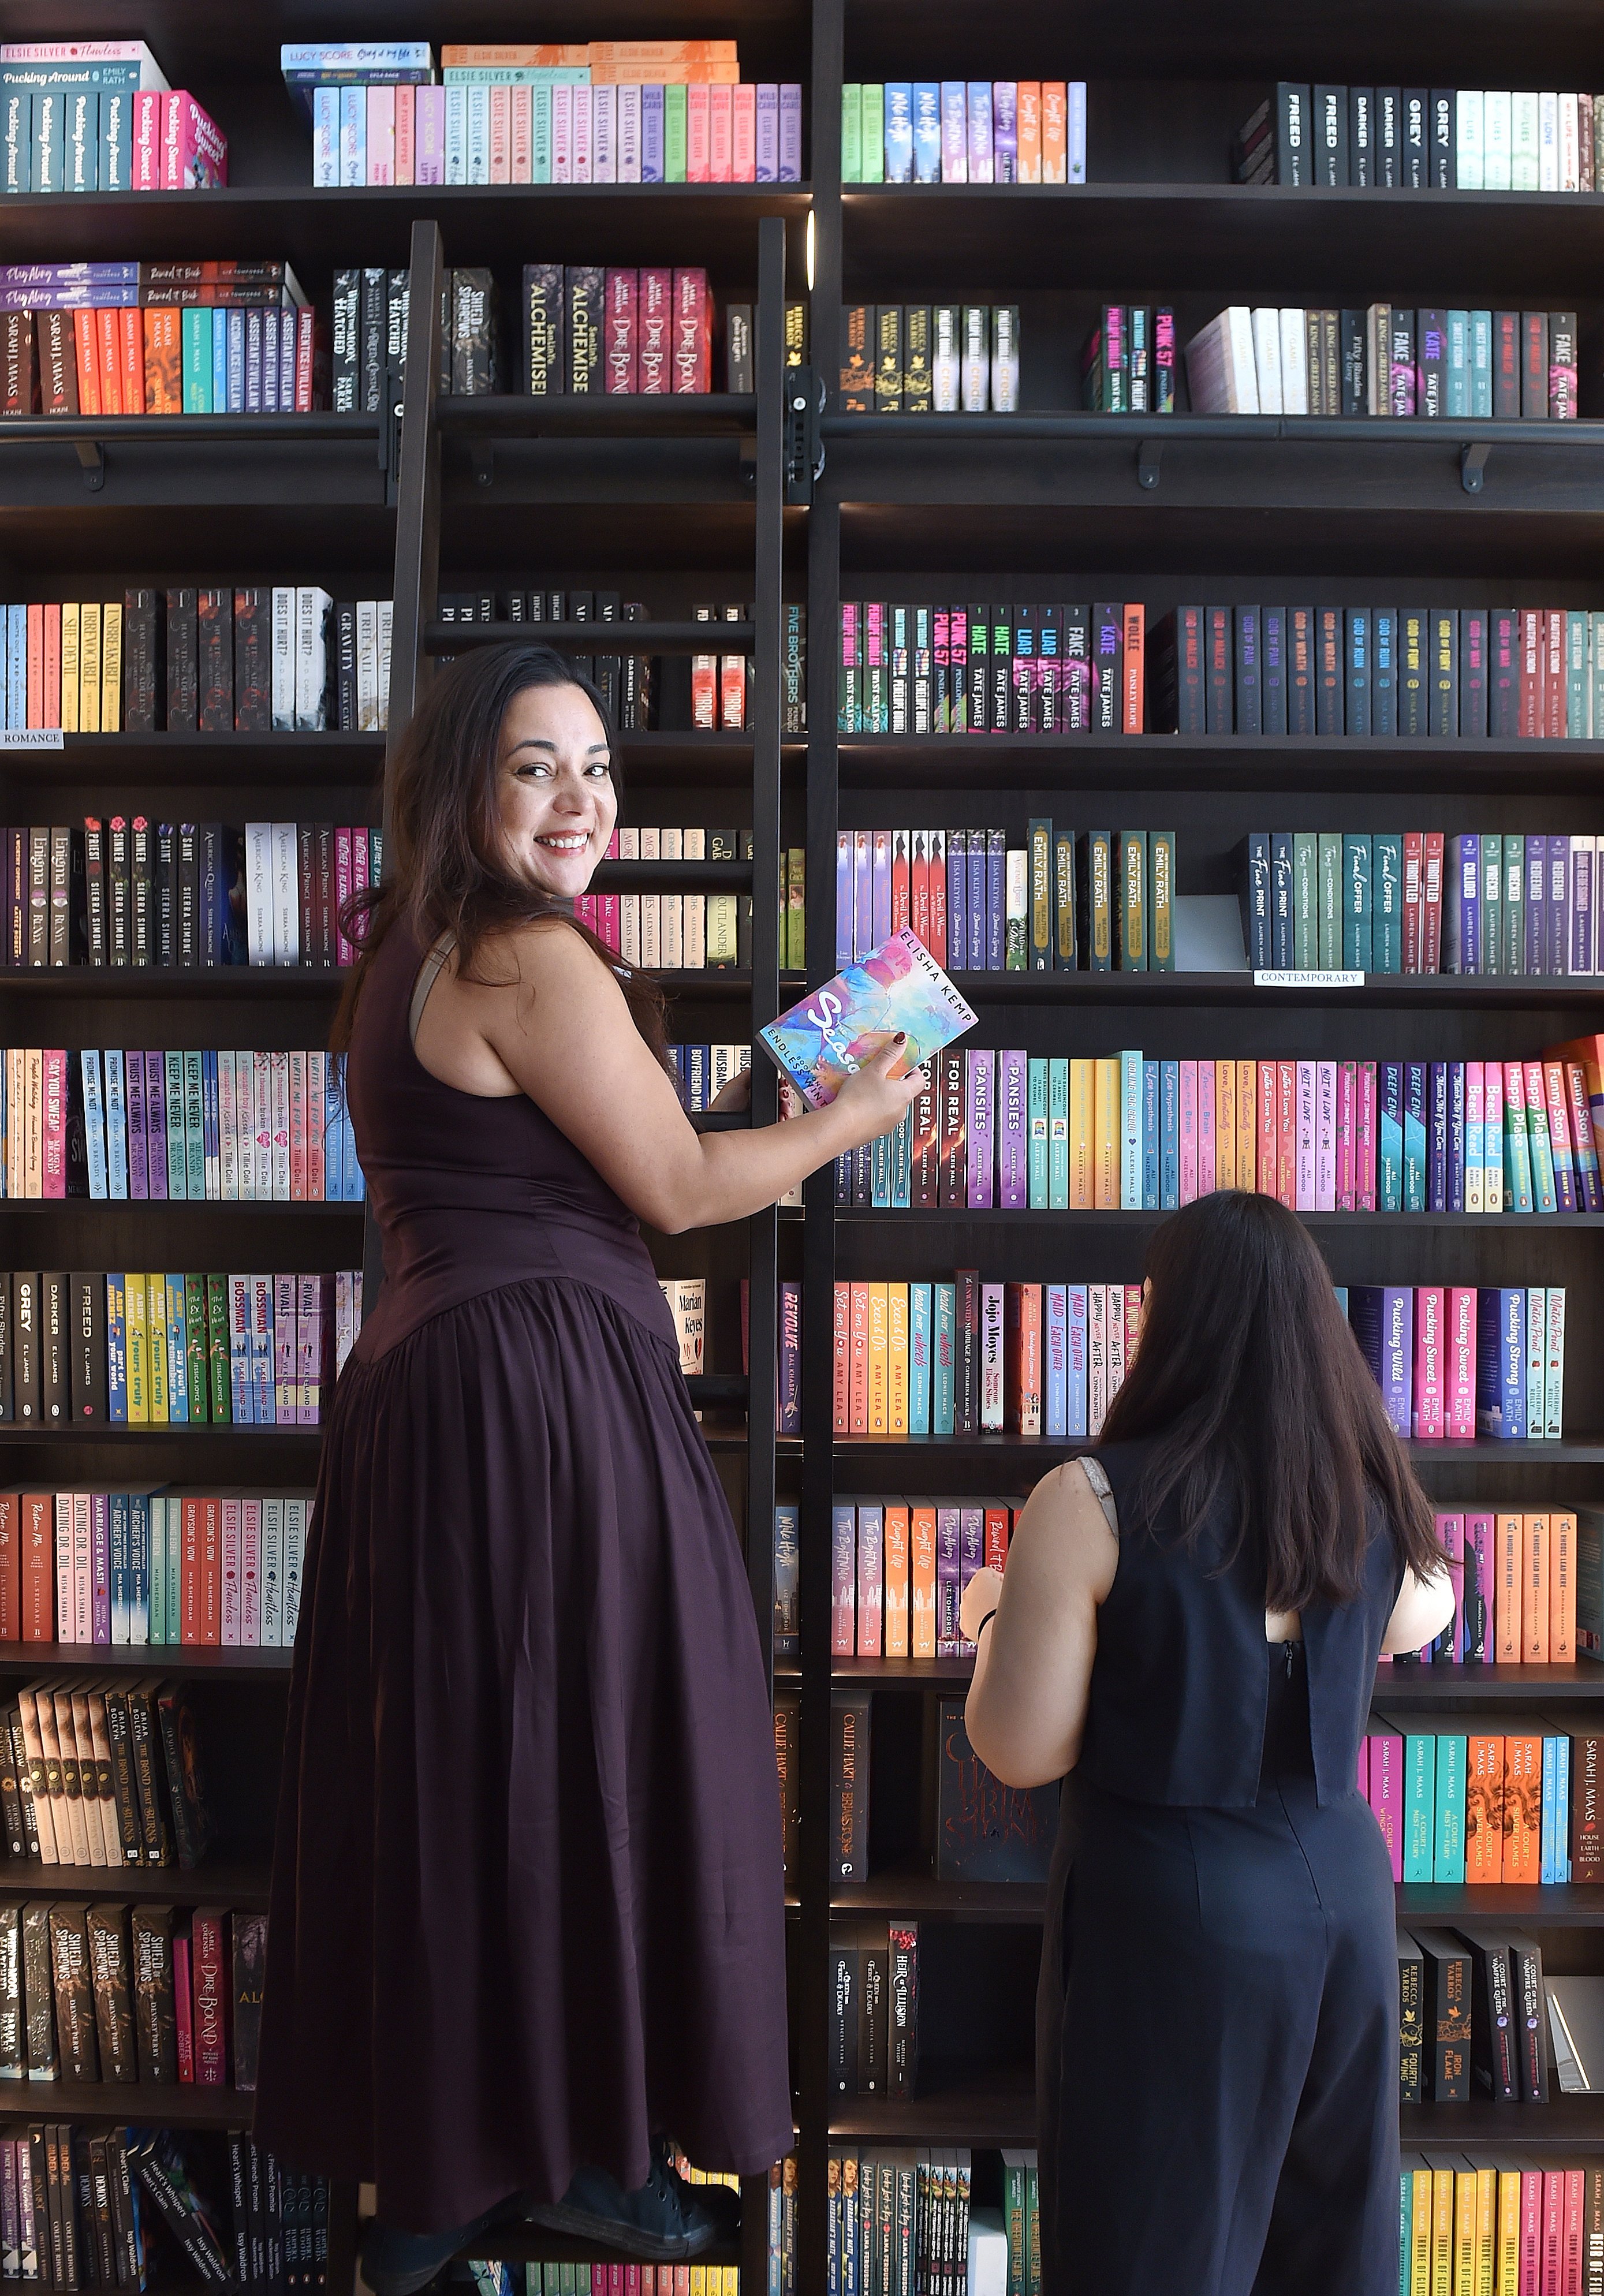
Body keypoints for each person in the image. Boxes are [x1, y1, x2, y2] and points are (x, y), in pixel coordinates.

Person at [253, 644, 923, 2293]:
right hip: (535, 1394)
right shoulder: (530, 953)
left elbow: (591, 1151)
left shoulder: (410, 949)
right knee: (621, 1749)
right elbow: (683, 1185)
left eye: (600, 769)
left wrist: (764, 1102)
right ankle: (603, 2156)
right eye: (539, 766)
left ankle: (445, 2177)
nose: (583, 801)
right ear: (467, 786)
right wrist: (854, 1117)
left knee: (471, 1773)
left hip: (435, 1389)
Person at [956, 1190, 1453, 2296]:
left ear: (1167, 1321)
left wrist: (990, 1612)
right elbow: (1424, 1612)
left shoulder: (1090, 1498)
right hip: (1343, 1895)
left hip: (1171, 1918)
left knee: (1153, 2250)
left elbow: (1019, 1748)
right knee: (1329, 2245)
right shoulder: (1365, 1487)